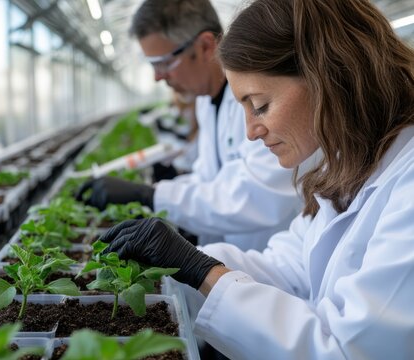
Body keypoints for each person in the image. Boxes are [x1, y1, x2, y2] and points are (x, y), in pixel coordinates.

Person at [98, 0, 414, 358]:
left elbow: (347, 351)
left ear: (328, 78)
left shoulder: (407, 187)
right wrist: (180, 262)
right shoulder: (348, 164)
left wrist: (200, 268)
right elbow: (291, 268)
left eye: (260, 105)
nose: (251, 131)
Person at [77, 0, 302, 250]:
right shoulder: (206, 102)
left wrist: (150, 195)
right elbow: (208, 181)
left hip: (271, 266)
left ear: (205, 47)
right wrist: (157, 189)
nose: (157, 76)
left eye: (163, 62)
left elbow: (254, 198)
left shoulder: (267, 102)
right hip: (233, 263)